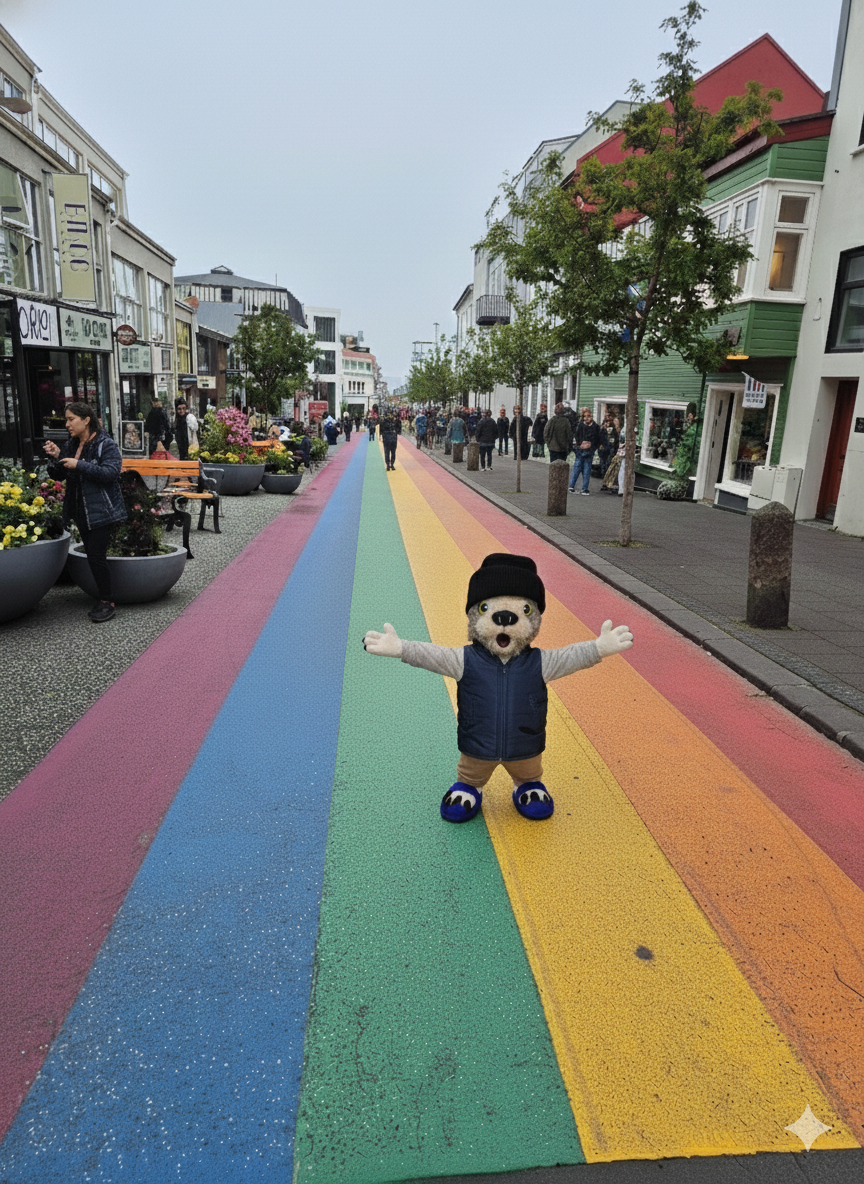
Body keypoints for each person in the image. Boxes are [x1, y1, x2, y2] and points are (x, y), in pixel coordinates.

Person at [43, 402, 126, 623]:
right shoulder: (71, 444)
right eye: (66, 420)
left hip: (101, 509)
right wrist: (55, 457)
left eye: (71, 419)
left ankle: (107, 601)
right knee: (92, 554)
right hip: (80, 509)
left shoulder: (105, 444)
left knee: (96, 556)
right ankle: (103, 597)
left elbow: (110, 473)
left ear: (86, 420)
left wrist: (79, 465)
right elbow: (59, 476)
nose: (67, 424)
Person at [570, 407, 604, 495]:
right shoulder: (581, 425)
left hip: (589, 450)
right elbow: (577, 435)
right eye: (585, 416)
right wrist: (580, 444)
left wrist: (592, 446)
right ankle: (571, 486)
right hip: (580, 450)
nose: (587, 418)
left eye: (589, 416)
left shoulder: (595, 427)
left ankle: (584, 488)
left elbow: (598, 439)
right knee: (577, 468)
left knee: (587, 469)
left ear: (592, 416)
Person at [380, 404, 401, 470]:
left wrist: (381, 435)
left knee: (387, 451)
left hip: (386, 437)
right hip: (393, 437)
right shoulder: (396, 420)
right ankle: (391, 464)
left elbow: (381, 429)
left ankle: (388, 464)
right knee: (393, 451)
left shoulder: (383, 420)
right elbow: (399, 429)